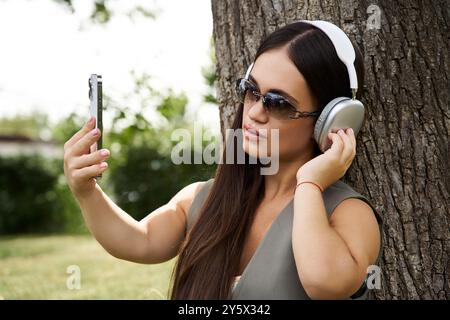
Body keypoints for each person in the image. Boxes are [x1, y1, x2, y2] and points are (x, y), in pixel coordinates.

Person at [63, 20, 382, 300]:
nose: (254, 112)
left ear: (332, 120)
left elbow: (324, 282)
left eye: (278, 103)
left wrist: (310, 184)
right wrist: (86, 190)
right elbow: (139, 241)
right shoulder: (205, 197)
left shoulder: (347, 213)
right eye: (252, 91)